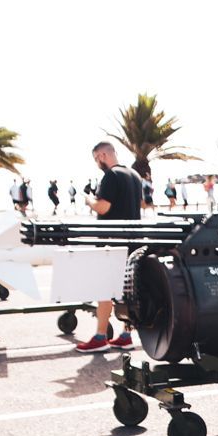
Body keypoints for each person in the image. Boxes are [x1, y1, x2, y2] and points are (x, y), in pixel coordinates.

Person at [76, 141, 144, 352]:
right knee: (127, 291)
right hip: (133, 241)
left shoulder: (111, 176)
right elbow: (139, 204)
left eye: (97, 159)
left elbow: (103, 207)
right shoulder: (134, 175)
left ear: (103, 155)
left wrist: (89, 200)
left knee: (104, 289)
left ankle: (100, 337)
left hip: (112, 242)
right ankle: (125, 334)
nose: (97, 163)